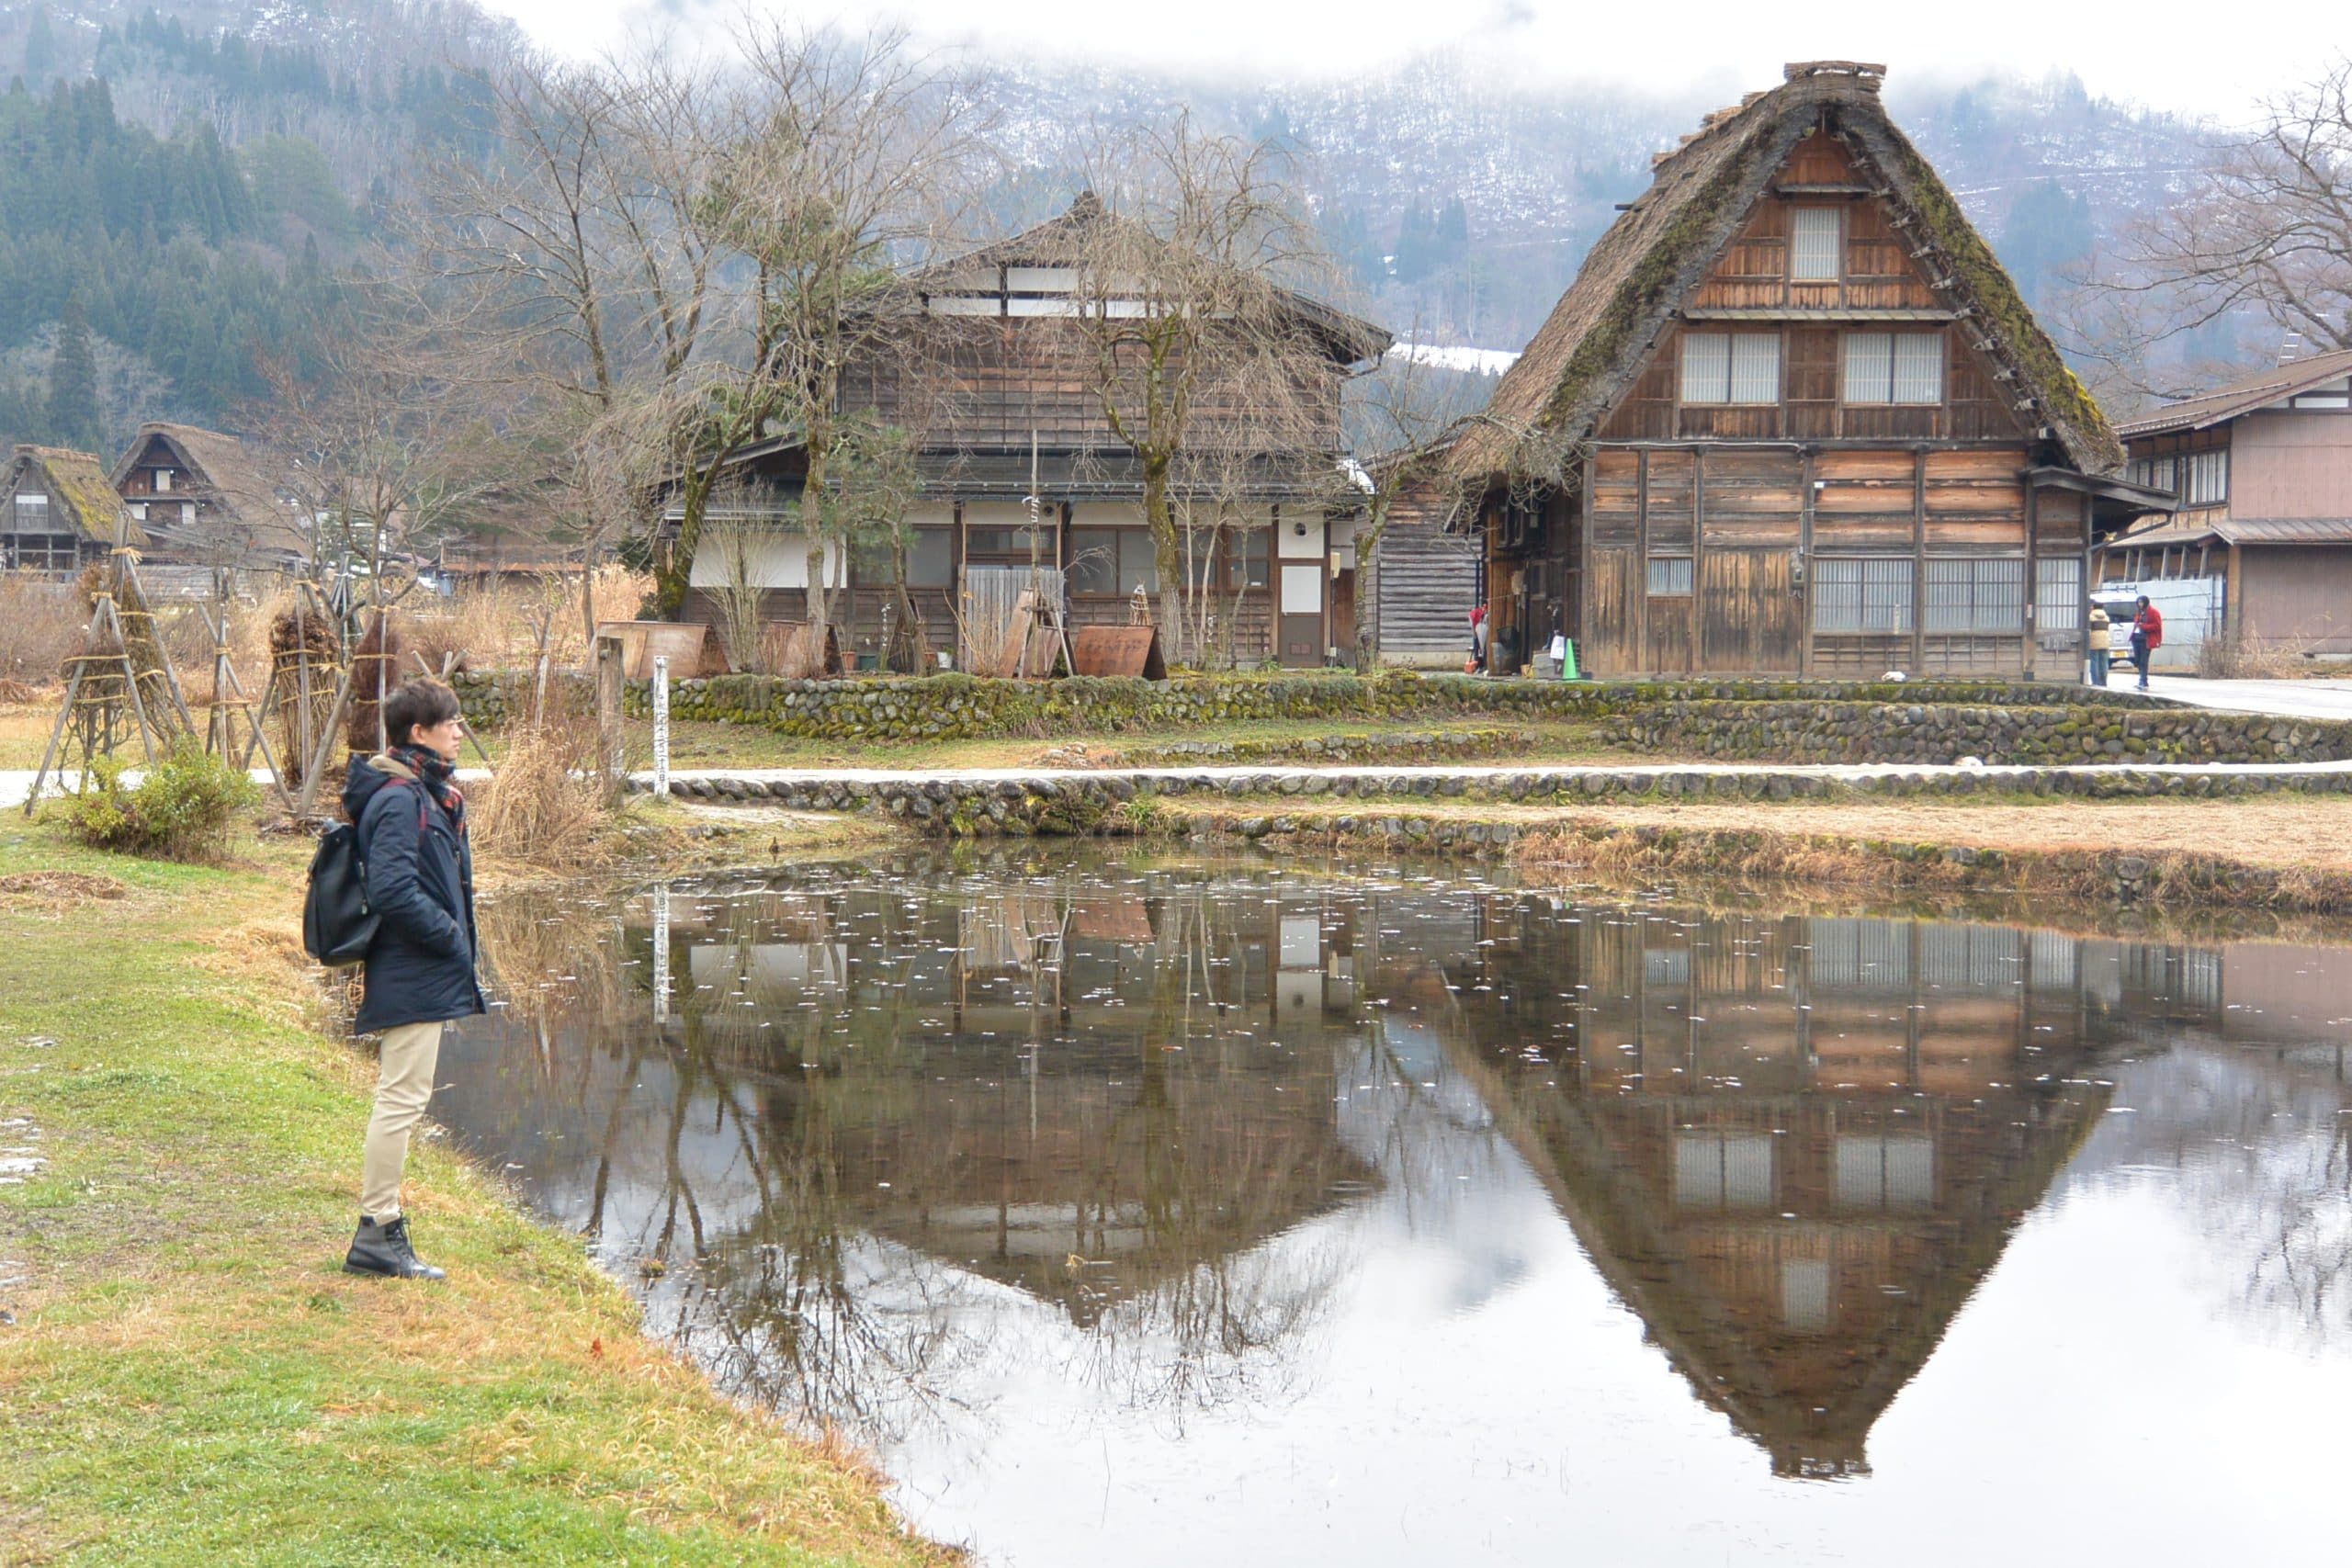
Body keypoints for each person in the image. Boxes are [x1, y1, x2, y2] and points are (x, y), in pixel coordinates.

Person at [339, 678, 482, 1280]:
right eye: (448, 722)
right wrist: (450, 934)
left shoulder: (424, 791)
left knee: (403, 1097)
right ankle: (377, 1230)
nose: (458, 730)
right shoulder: (401, 798)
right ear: (417, 733)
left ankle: (383, 1227)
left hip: (417, 965)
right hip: (413, 965)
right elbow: (394, 888)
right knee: (400, 1100)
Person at [2131, 595, 2164, 690]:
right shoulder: (2138, 612)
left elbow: (2157, 626)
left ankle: (2143, 682)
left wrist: (2144, 626)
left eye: (2141, 602)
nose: (2140, 604)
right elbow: (2136, 624)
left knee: (2143, 661)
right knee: (2137, 661)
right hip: (2136, 639)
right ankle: (2142, 681)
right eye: (2138, 602)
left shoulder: (2153, 612)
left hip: (2146, 640)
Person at [2086, 602, 2111, 685]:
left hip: (2094, 642)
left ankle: (2095, 682)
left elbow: (2089, 631)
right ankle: (2103, 682)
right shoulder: (2107, 618)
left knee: (2094, 662)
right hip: (2105, 642)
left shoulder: (2090, 617)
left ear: (2093, 607)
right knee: (2104, 663)